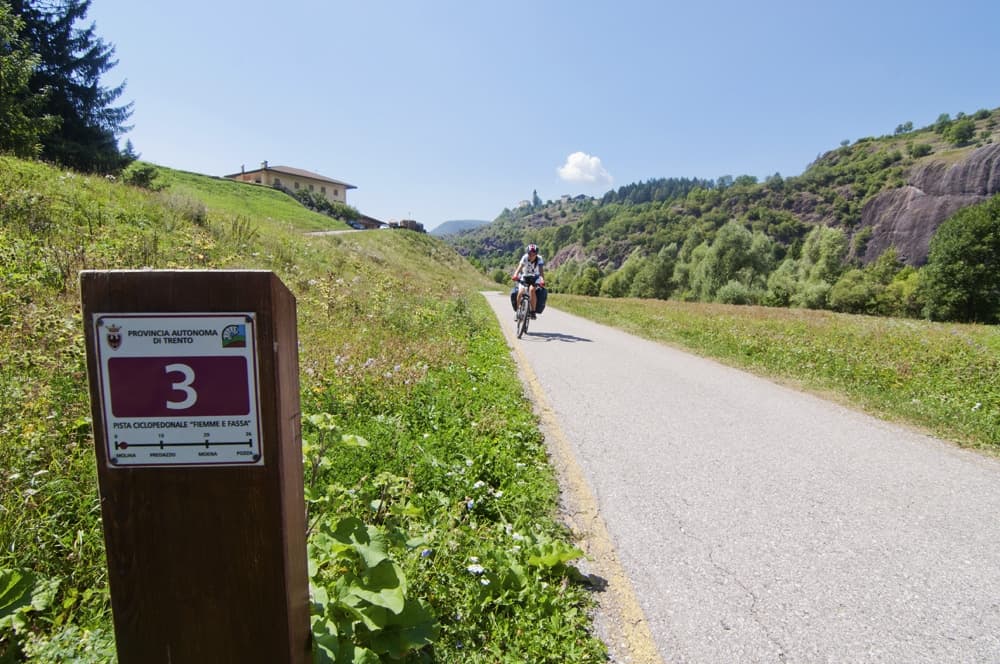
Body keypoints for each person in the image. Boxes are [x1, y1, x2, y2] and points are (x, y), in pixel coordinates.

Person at [510, 244, 546, 320]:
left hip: (535, 277)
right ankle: (517, 312)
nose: (532, 256)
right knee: (520, 292)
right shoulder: (525, 257)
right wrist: (515, 275)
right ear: (527, 253)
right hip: (525, 276)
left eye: (534, 254)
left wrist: (542, 280)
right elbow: (519, 268)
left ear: (536, 254)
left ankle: (533, 312)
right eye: (530, 253)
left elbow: (541, 271)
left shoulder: (539, 259)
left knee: (532, 290)